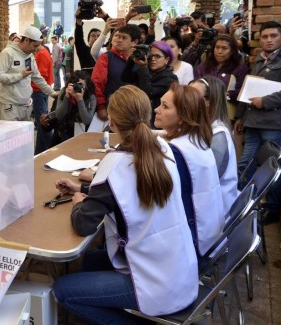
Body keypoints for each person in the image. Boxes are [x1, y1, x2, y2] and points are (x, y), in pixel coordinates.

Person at [53, 85, 198, 324]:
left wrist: (79, 202)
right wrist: (83, 189)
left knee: (63, 290)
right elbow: (130, 193)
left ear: (111, 122)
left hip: (153, 283)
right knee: (89, 261)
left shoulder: (115, 165)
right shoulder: (162, 149)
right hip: (180, 271)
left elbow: (83, 224)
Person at [234, 21, 281, 224]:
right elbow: (249, 89)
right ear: (259, 39)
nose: (268, 40)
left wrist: (266, 101)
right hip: (253, 122)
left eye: (273, 36)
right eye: (264, 37)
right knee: (246, 165)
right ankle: (240, 206)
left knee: (272, 167)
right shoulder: (259, 60)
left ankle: (271, 208)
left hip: (275, 124)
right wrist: (241, 117)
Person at [154, 83, 224, 260]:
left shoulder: (177, 152)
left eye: (165, 106)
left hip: (186, 246)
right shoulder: (195, 139)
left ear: (182, 118)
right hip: (205, 235)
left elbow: (148, 195)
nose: (156, 110)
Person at [189, 77, 238, 214]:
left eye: (193, 95)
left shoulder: (217, 135)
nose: (186, 99)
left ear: (209, 102)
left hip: (215, 211)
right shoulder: (204, 127)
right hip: (205, 202)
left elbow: (205, 179)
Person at [0, 26, 57, 122]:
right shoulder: (8, 53)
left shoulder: (30, 56)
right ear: (26, 40)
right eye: (34, 46)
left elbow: (37, 78)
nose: (36, 50)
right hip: (10, 108)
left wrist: (53, 93)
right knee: (11, 137)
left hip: (26, 107)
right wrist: (20, 75)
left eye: (38, 46)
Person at [92, 24, 141, 122]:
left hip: (134, 112)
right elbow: (97, 83)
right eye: (118, 36)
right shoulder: (106, 57)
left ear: (134, 42)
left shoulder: (140, 60)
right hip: (111, 111)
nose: (119, 40)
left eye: (124, 38)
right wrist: (100, 107)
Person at [120, 40, 178, 124]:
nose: (153, 59)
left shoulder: (170, 78)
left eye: (157, 56)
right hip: (139, 117)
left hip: (156, 120)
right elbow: (125, 78)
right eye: (151, 56)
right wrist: (131, 60)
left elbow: (149, 92)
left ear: (167, 59)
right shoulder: (146, 70)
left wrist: (144, 67)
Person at [195, 34, 249, 116]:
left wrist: (227, 94)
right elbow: (195, 87)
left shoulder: (240, 68)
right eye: (217, 47)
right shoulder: (203, 66)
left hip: (227, 113)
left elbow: (243, 91)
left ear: (231, 51)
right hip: (203, 112)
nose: (220, 51)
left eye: (224, 48)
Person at [42, 70, 96, 147]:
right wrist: (66, 97)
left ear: (87, 87)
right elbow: (58, 115)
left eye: (82, 86)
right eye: (76, 85)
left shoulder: (90, 97)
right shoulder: (64, 93)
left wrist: (79, 99)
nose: (78, 88)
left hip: (81, 141)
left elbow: (86, 120)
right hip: (62, 139)